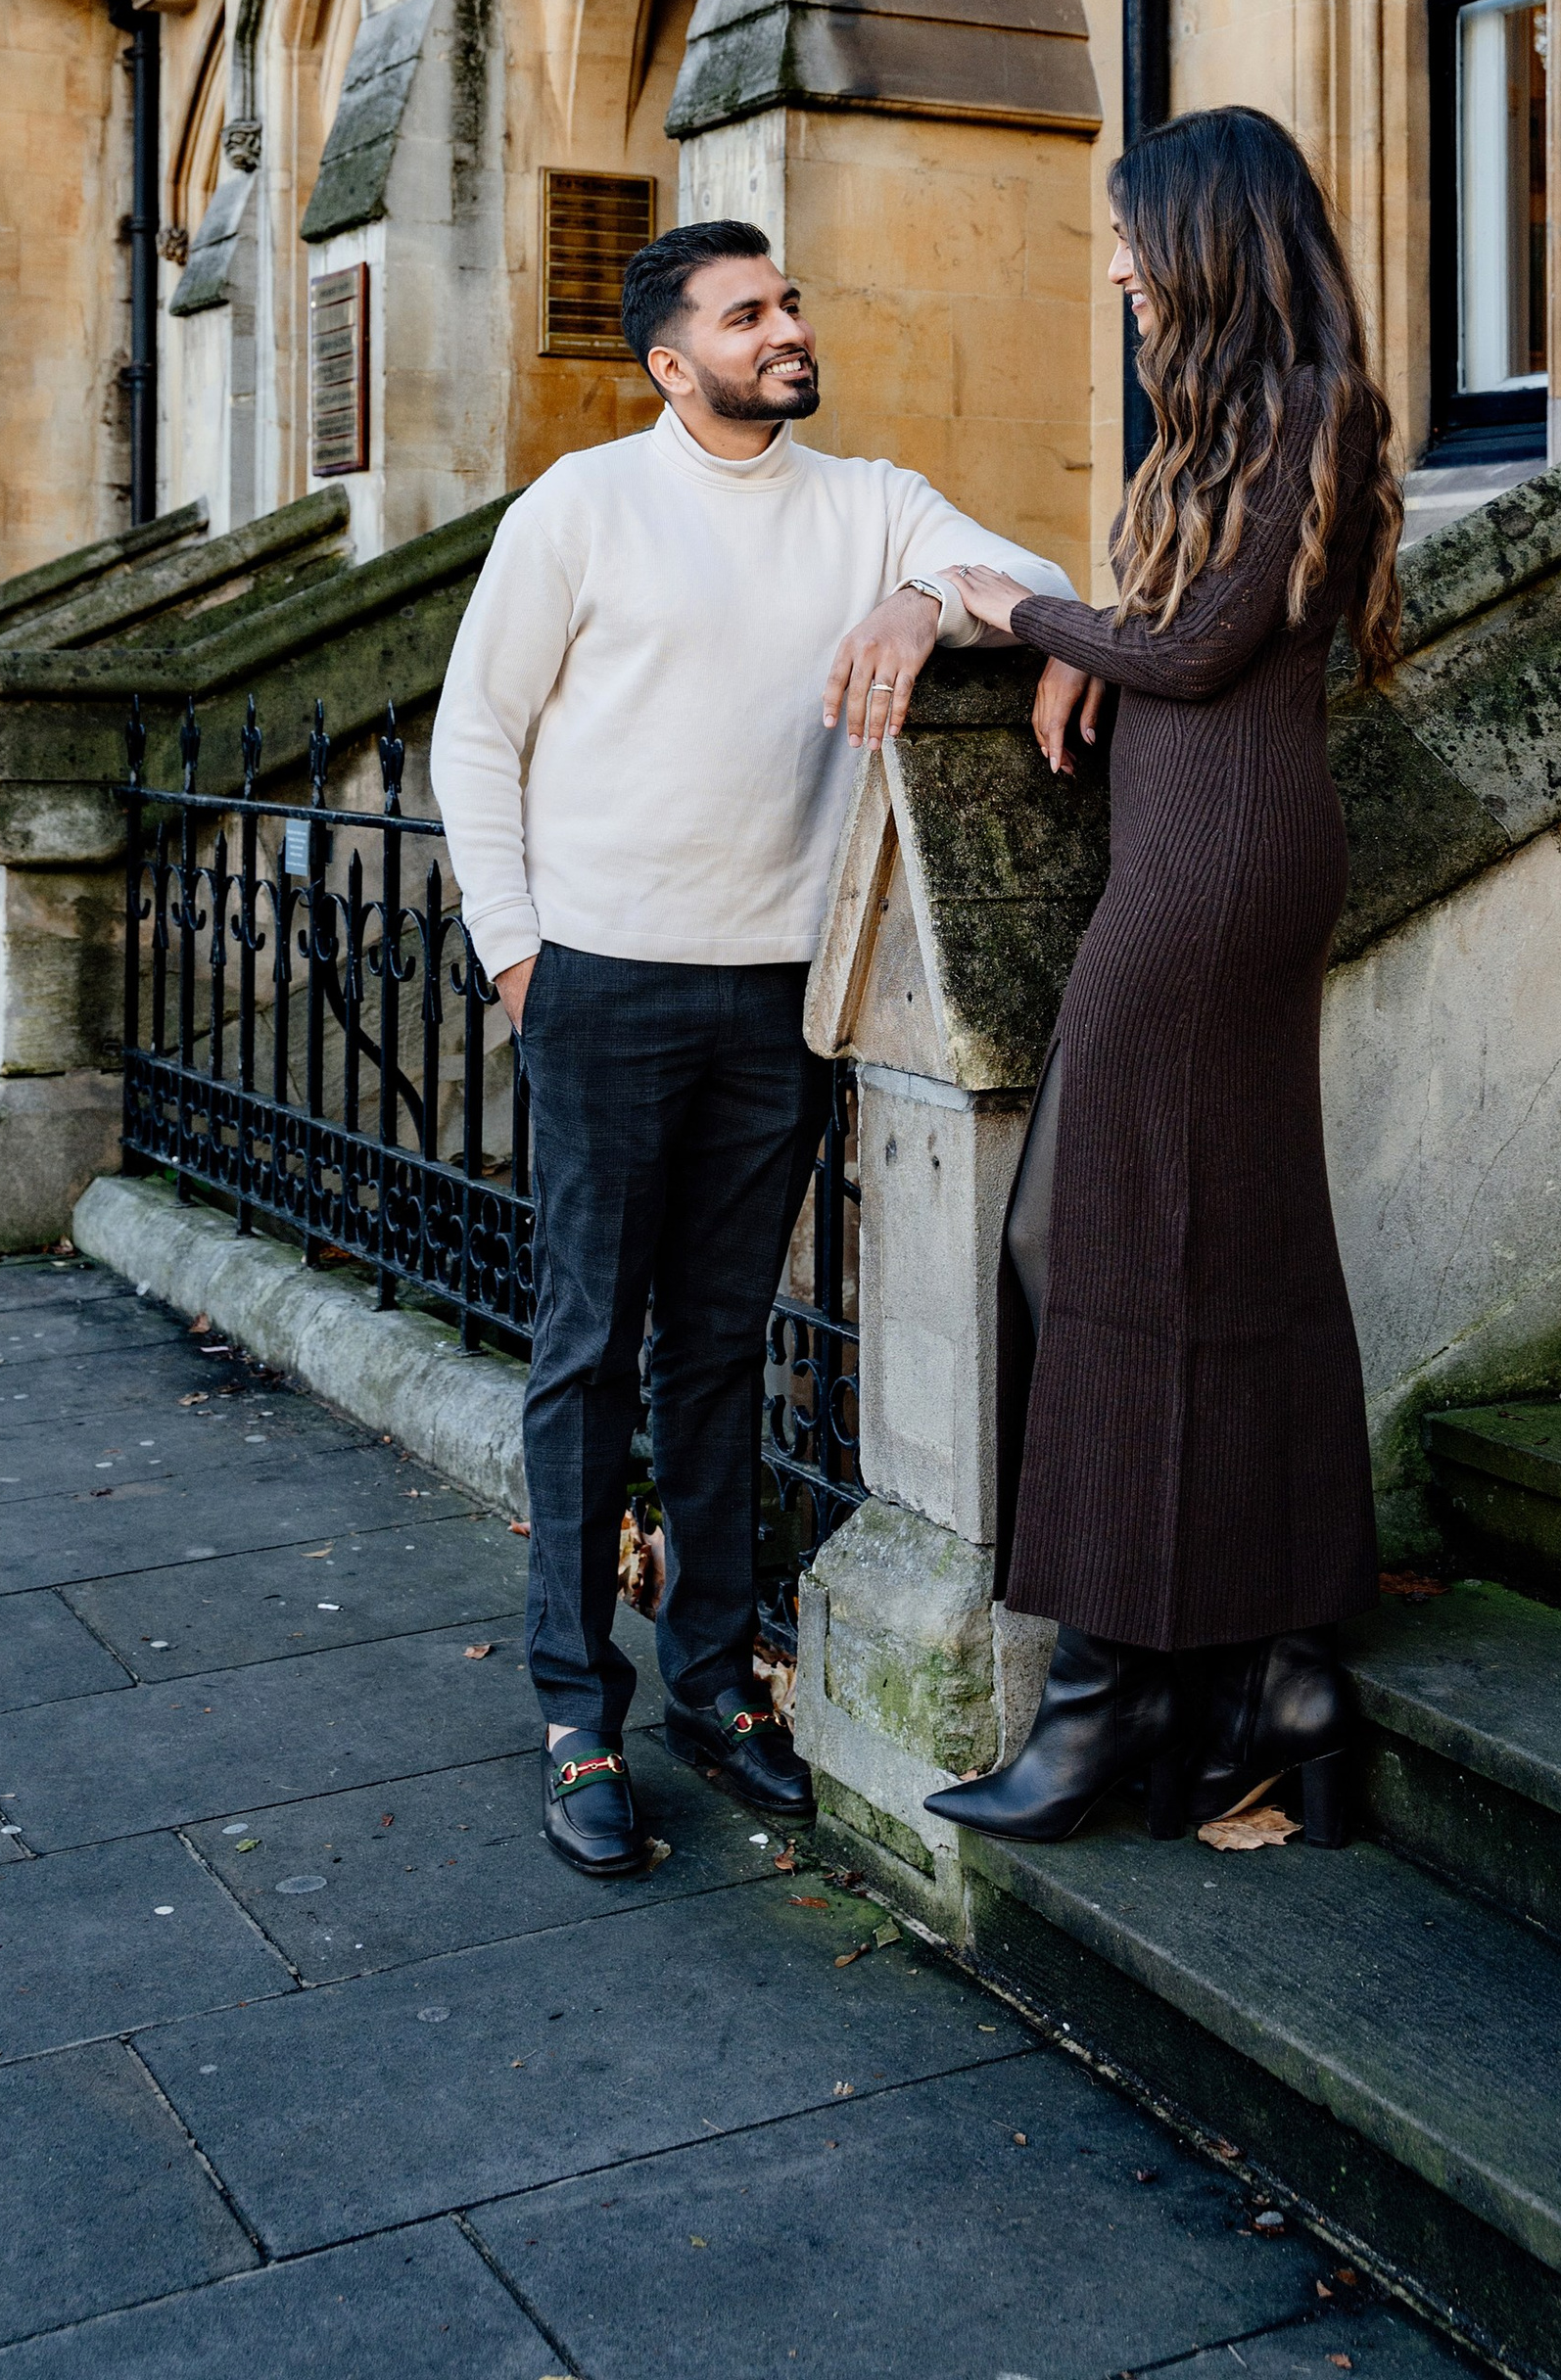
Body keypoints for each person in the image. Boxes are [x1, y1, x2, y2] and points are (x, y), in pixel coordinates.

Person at [431, 218, 1077, 1878]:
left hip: (777, 997)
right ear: (672, 362)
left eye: (787, 303)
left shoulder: (870, 504)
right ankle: (576, 1715)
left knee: (719, 1348)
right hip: (600, 984)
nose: (786, 328)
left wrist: (922, 601)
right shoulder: (581, 506)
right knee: (589, 1351)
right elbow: (475, 733)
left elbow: (1041, 582)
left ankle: (715, 1688)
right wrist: (518, 960)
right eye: (747, 315)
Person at [924, 107, 1402, 1852]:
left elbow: (1199, 649)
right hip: (1199, 860)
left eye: (1134, 235)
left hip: (1220, 878)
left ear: (1209, 239)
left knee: (1086, 1238)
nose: (1117, 265)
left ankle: (1107, 1696)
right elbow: (1181, 635)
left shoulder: (1312, 407)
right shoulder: (1227, 421)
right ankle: (1278, 1672)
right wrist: (1099, 648)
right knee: (1213, 1241)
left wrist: (1019, 614)